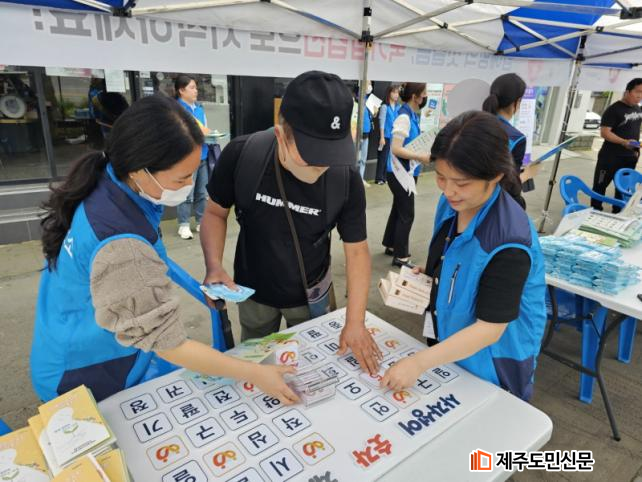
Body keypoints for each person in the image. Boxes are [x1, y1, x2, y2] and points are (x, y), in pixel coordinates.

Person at [31, 95, 298, 405]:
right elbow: (166, 343)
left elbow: (148, 260)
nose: (190, 185)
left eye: (194, 172)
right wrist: (254, 372)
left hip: (68, 333)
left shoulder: (112, 181)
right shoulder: (122, 244)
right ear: (139, 170)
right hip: (87, 370)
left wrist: (199, 284)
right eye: (182, 178)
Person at [201, 71, 381, 374]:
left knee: (313, 370)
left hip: (312, 296)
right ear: (280, 134)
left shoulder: (345, 177)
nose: (322, 165)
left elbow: (357, 250)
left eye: (331, 152)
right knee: (256, 367)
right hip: (253, 292)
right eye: (311, 154)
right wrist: (214, 265)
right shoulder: (243, 155)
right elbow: (215, 213)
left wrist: (355, 321)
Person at [381, 111, 546, 401]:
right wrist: (434, 272)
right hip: (449, 350)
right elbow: (456, 253)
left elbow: (490, 329)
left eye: (462, 182)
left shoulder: (509, 240)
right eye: (441, 177)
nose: (449, 191)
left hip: (492, 366)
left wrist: (418, 363)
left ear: (495, 175)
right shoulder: (453, 205)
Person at [382, 82, 430, 267]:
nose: (425, 97)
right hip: (400, 173)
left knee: (399, 208)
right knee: (407, 213)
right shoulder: (404, 117)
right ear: (415, 96)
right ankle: (401, 256)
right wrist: (420, 156)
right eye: (424, 93)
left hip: (406, 172)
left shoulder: (411, 115)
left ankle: (391, 244)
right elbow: (396, 148)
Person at [591, 78, 642, 212]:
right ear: (627, 91)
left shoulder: (638, 109)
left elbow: (634, 130)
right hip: (610, 157)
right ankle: (595, 211)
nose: (640, 96)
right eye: (638, 92)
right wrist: (624, 142)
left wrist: (636, 149)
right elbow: (605, 132)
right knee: (599, 186)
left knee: (623, 189)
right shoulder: (613, 110)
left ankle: (617, 212)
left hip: (629, 158)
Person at [482, 73, 532, 208]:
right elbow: (510, 186)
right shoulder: (516, 138)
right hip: (489, 205)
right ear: (517, 102)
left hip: (456, 202)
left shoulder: (470, 123)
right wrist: (527, 174)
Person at [175, 74, 211, 239]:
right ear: (181, 90)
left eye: (196, 87)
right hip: (186, 157)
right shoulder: (176, 109)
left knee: (202, 192)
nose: (196, 91)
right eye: (192, 88)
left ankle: (201, 222)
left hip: (202, 155)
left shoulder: (199, 109)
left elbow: (205, 130)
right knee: (186, 193)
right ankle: (183, 224)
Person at [375, 84, 400, 185]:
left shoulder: (398, 107)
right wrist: (382, 137)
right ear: (389, 93)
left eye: (397, 92)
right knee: (383, 157)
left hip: (394, 136)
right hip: (385, 136)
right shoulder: (385, 106)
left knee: (390, 157)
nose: (396, 95)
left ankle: (385, 177)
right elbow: (382, 122)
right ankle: (379, 178)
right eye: (394, 92)